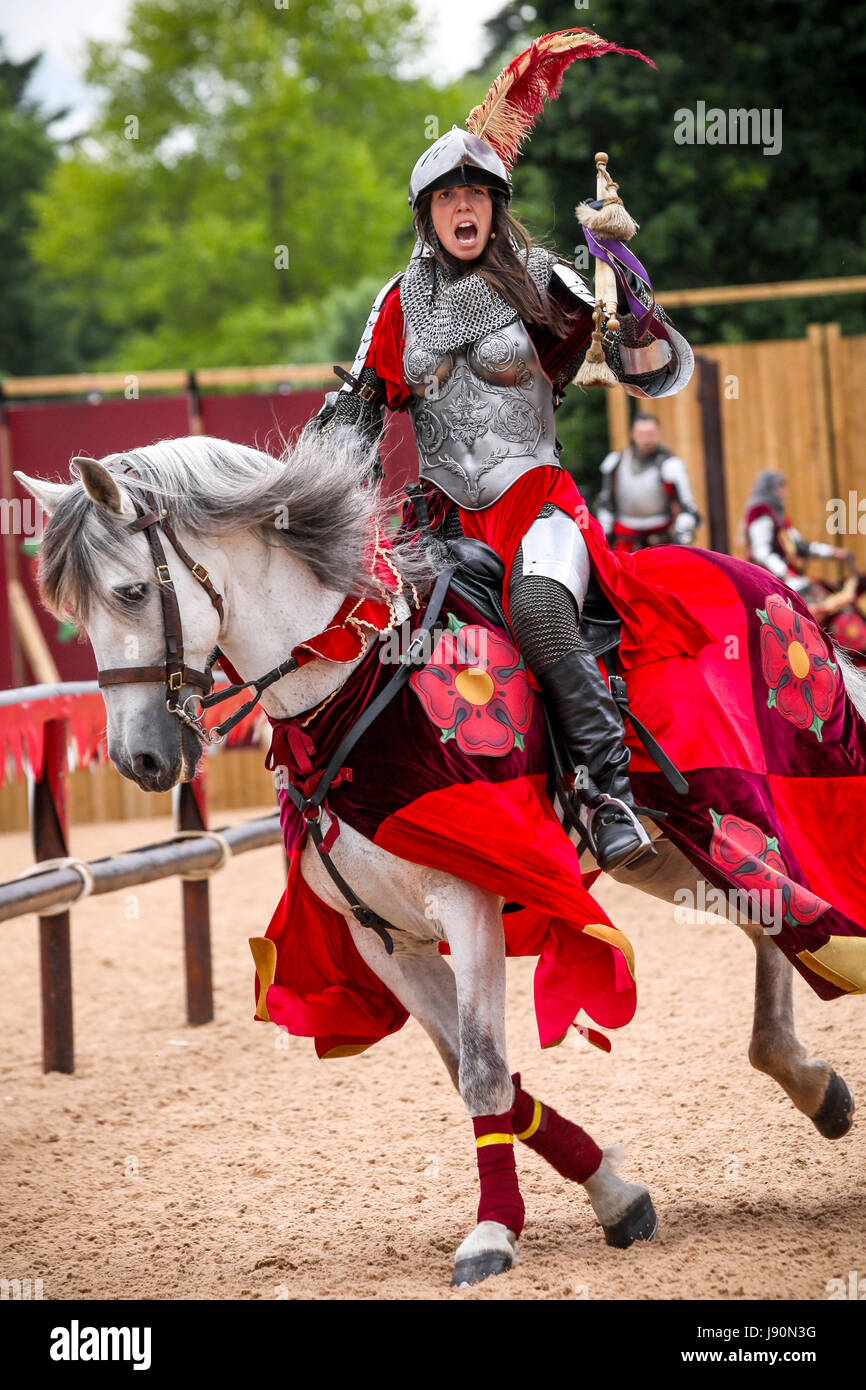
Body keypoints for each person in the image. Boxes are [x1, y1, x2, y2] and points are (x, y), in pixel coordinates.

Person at [307, 38, 708, 872]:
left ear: (495, 205)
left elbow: (658, 376)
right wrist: (306, 497)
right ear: (428, 214)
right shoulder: (397, 304)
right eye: (447, 196)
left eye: (475, 195)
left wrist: (631, 300)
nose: (463, 208)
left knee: (539, 613)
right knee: (402, 638)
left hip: (537, 505)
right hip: (445, 520)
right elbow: (359, 415)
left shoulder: (539, 279)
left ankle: (604, 796)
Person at [596, 413, 700, 551]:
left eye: (650, 433)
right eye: (641, 433)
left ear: (658, 434)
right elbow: (605, 503)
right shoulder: (615, 462)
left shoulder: (671, 465)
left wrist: (682, 530)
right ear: (633, 434)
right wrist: (604, 531)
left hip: (661, 539)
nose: (646, 439)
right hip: (625, 540)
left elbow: (688, 508)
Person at [743, 469, 850, 600]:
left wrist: (832, 552)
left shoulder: (778, 515)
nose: (784, 492)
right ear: (770, 489)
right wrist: (784, 572)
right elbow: (761, 552)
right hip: (768, 581)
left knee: (828, 590)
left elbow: (798, 545)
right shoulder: (760, 512)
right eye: (780, 487)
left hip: (784, 577)